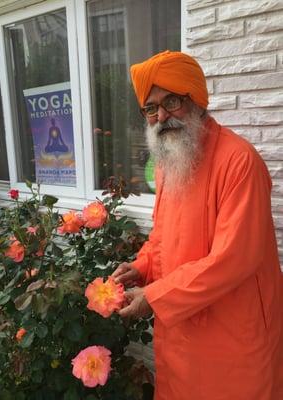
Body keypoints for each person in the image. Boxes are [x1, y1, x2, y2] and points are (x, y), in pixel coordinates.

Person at [112, 50, 283, 400]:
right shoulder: (168, 162)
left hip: (234, 336)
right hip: (180, 332)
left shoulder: (239, 160)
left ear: (197, 99)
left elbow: (234, 259)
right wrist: (142, 266)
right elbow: (164, 236)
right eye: (150, 108)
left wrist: (155, 296)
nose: (161, 116)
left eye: (171, 101)